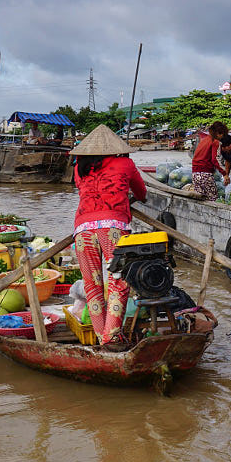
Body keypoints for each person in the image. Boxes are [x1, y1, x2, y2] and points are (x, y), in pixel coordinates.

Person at [69, 124, 147, 349]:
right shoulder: (126, 163)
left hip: (82, 230)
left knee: (92, 285)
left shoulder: (79, 168)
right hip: (113, 227)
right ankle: (111, 338)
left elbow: (83, 189)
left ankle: (99, 337)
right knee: (119, 282)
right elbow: (141, 192)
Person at [191, 121, 228, 201]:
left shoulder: (204, 140)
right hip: (205, 174)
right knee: (213, 199)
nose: (222, 137)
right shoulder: (216, 142)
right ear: (218, 133)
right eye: (222, 134)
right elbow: (215, 160)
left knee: (200, 200)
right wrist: (224, 173)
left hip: (195, 174)